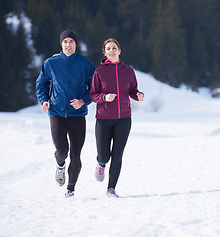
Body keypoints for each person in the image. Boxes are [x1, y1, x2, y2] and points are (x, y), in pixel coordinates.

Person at [36, 29, 95, 198]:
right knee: (62, 150)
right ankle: (60, 165)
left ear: (76, 44)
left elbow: (94, 89)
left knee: (76, 154)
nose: (68, 45)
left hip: (78, 115)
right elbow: (41, 84)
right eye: (65, 42)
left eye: (71, 42)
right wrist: (44, 100)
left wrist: (83, 101)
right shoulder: (50, 63)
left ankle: (71, 189)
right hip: (57, 113)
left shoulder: (86, 64)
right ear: (61, 44)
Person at [90, 38, 144, 198]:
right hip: (104, 119)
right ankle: (100, 163)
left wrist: (138, 95)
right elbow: (93, 95)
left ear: (119, 51)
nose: (112, 51)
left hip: (124, 119)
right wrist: (104, 98)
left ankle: (111, 189)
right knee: (105, 155)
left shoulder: (128, 71)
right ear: (105, 52)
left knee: (118, 154)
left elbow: (133, 90)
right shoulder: (99, 72)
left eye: (114, 48)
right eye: (108, 49)